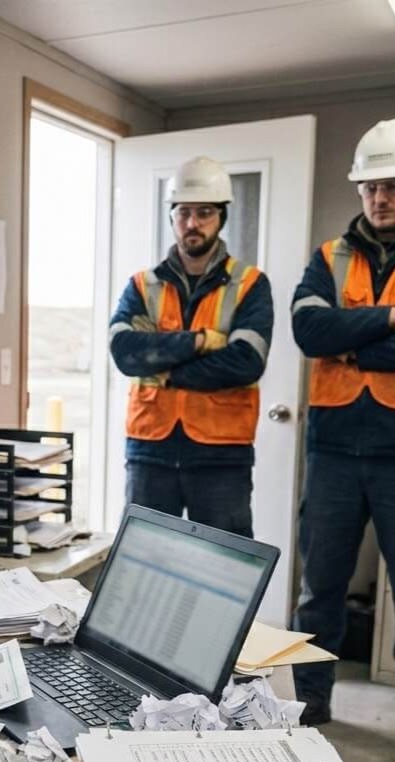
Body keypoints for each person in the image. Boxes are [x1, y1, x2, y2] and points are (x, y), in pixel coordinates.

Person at [290, 119, 395, 727]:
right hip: (332, 451)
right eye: (370, 188)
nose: (380, 199)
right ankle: (312, 704)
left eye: (391, 187)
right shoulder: (328, 258)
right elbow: (310, 332)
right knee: (320, 589)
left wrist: (352, 342)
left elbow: (333, 333)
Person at [109, 155, 274, 537]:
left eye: (204, 213)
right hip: (150, 449)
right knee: (142, 562)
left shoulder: (250, 284)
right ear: (172, 217)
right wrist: (200, 341)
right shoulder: (142, 285)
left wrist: (163, 368)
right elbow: (125, 353)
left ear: (221, 217)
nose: (192, 224)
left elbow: (245, 362)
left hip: (221, 452)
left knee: (224, 565)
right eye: (183, 212)